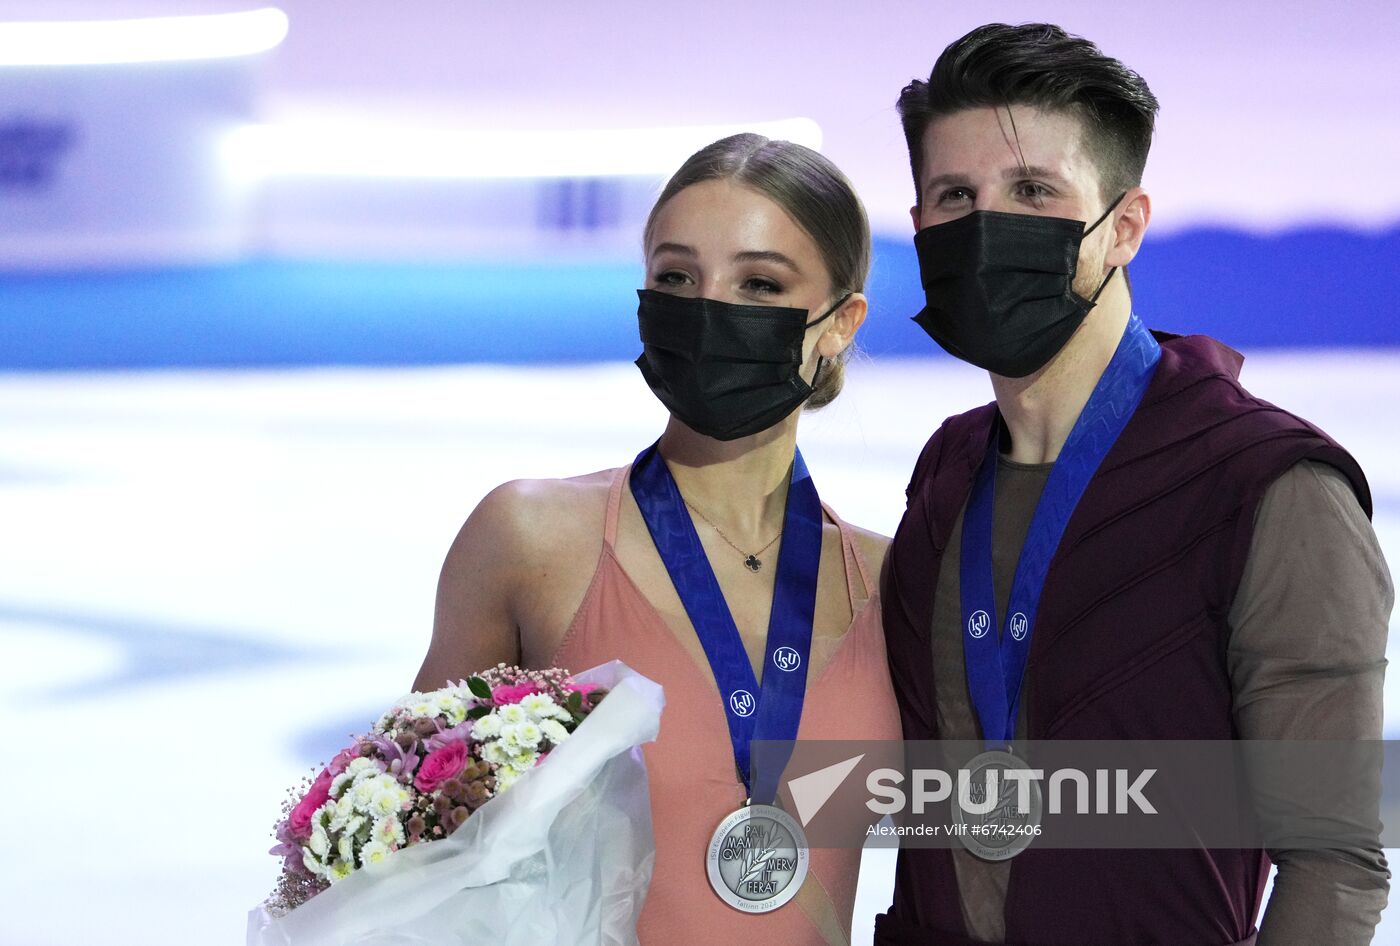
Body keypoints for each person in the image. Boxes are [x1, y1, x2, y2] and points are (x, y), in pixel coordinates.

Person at [877, 23, 1391, 946]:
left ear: (1124, 225)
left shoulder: (1268, 485)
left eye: (1034, 189)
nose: (987, 224)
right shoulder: (946, 473)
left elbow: (1333, 860)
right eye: (956, 195)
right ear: (919, 229)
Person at [414, 133, 901, 944]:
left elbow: (1026, 823)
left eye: (758, 283)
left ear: (840, 323)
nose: (707, 309)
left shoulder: (892, 583)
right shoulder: (531, 538)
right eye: (677, 277)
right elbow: (397, 839)